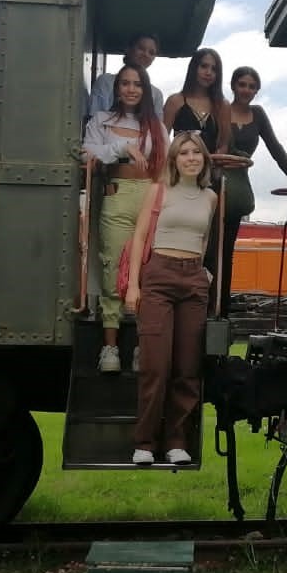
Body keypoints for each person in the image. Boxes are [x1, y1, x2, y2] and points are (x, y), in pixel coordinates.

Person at [124, 132, 217, 466]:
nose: (191, 157)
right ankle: (145, 443)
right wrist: (134, 286)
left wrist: (200, 272)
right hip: (159, 276)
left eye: (197, 152)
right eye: (184, 153)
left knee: (187, 366)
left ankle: (177, 440)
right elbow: (139, 238)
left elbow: (203, 240)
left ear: (204, 159)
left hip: (192, 280)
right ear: (174, 160)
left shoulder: (210, 197)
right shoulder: (159, 191)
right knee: (155, 365)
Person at [82, 65, 166, 373]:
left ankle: (142, 347)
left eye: (137, 84)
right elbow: (85, 153)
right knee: (113, 268)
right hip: (117, 194)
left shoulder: (155, 124)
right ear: (117, 89)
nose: (131, 89)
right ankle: (110, 348)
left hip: (150, 196)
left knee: (147, 270)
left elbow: (165, 165)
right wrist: (122, 146)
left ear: (145, 90)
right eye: (125, 84)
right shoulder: (101, 120)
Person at [218, 66, 287, 314]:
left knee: (227, 248)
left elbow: (275, 148)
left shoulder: (258, 114)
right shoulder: (220, 108)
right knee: (211, 246)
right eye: (242, 84)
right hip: (215, 183)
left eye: (252, 86)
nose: (247, 90)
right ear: (233, 86)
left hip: (238, 187)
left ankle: (222, 306)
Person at [164, 46, 232, 284]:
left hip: (208, 179)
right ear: (194, 67)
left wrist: (210, 161)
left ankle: (205, 295)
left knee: (208, 236)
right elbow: (164, 141)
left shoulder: (222, 105)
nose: (208, 72)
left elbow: (224, 143)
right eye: (204, 66)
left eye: (214, 68)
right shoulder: (175, 101)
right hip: (177, 178)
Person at [87, 33, 163, 118]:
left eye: (151, 52)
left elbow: (157, 127)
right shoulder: (105, 81)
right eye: (141, 48)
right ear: (129, 49)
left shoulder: (156, 94)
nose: (146, 54)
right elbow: (94, 118)